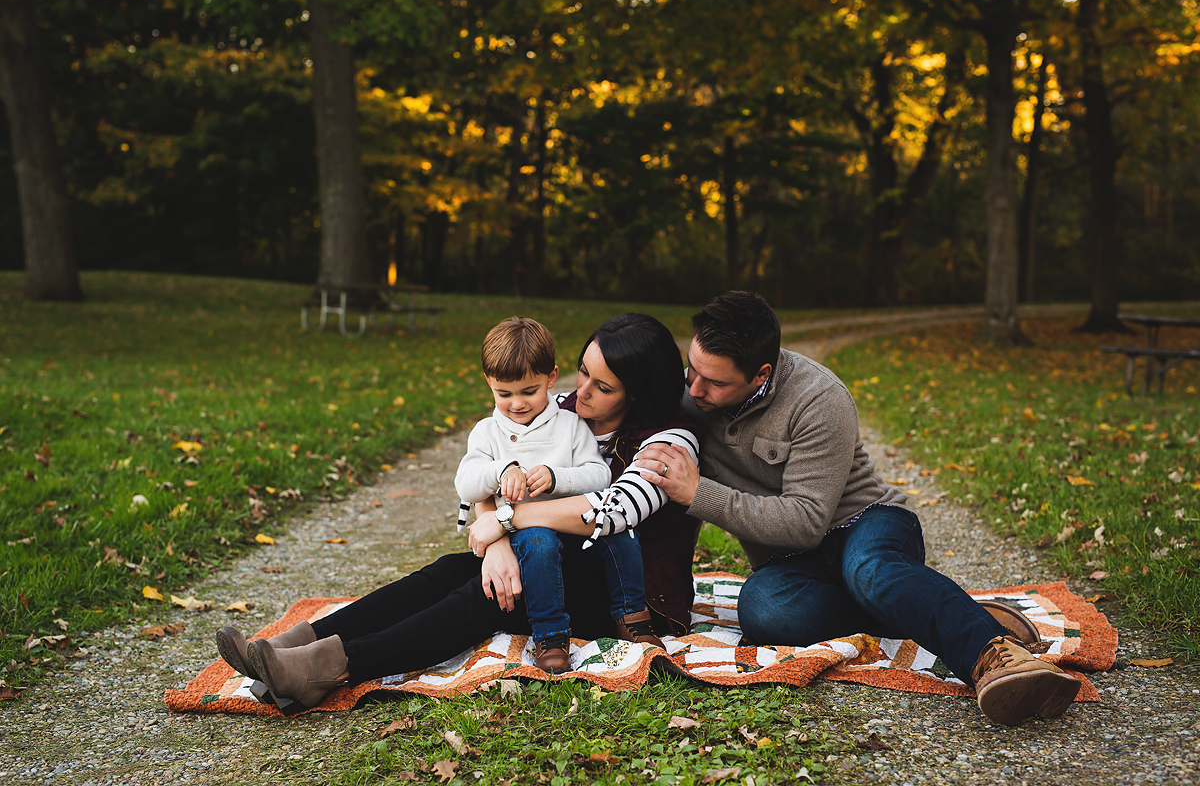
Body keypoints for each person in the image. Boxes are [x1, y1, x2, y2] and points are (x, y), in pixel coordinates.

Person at [214, 313, 700, 715]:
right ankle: (297, 644)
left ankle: (328, 668)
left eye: (604, 386)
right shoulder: (560, 408)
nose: (582, 391)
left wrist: (504, 523)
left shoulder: (669, 442)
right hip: (548, 555)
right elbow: (490, 466)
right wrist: (497, 543)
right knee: (448, 571)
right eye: (582, 371)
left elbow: (610, 512)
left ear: (635, 393)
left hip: (627, 595)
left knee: (487, 597)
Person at [634, 291, 1081, 727]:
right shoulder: (692, 391)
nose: (694, 389)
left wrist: (698, 493)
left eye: (714, 382)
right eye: (691, 369)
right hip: (794, 562)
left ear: (760, 374)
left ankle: (993, 653)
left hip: (867, 523)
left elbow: (805, 522)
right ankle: (945, 610)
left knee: (870, 572)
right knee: (764, 609)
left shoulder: (818, 397)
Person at [454, 316, 657, 673]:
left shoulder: (571, 425)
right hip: (526, 534)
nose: (517, 403)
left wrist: (556, 477)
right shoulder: (487, 433)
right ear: (489, 383)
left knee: (620, 534)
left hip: (572, 524)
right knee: (540, 542)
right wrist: (501, 472)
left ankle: (633, 620)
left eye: (529, 391)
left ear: (551, 378)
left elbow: (599, 474)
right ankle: (550, 635)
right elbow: (467, 485)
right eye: (504, 394)